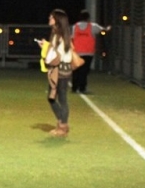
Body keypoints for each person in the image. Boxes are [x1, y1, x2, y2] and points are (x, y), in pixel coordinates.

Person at [37, 9, 74, 137]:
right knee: (58, 97)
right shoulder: (62, 34)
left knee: (56, 98)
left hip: (59, 69)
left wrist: (45, 49)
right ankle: (62, 123)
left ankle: (62, 126)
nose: (49, 18)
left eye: (51, 17)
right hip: (65, 68)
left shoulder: (58, 35)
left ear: (57, 20)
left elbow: (56, 54)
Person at [70, 9, 110, 94]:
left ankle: (74, 87)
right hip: (88, 53)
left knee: (76, 70)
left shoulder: (75, 27)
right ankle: (82, 87)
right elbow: (103, 30)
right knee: (84, 71)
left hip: (77, 52)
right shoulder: (93, 26)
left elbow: (72, 38)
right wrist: (107, 29)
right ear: (88, 18)